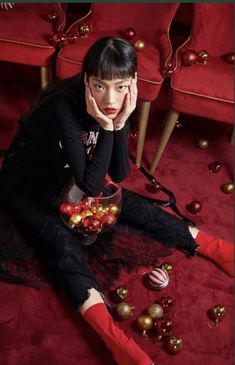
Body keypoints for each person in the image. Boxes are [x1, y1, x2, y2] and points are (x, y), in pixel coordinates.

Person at [0, 37, 233, 365]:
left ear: (133, 84)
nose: (110, 99)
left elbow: (119, 172)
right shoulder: (62, 105)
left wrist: (119, 123)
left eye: (121, 87)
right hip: (28, 183)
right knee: (60, 243)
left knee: (132, 205)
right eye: (99, 86)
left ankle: (218, 248)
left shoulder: (119, 104)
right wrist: (112, 126)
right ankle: (114, 340)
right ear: (86, 80)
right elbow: (92, 184)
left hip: (72, 177)